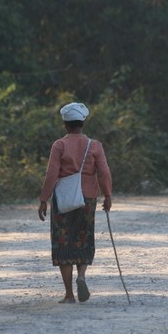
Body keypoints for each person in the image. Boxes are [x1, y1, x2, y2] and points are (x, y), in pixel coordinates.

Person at [38, 102, 113, 304]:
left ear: (65, 124)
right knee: (83, 237)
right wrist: (107, 195)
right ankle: (81, 275)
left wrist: (43, 199)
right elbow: (104, 172)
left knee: (63, 241)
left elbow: (52, 173)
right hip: (87, 198)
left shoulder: (59, 145)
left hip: (63, 199)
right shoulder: (94, 145)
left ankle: (69, 294)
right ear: (82, 123)